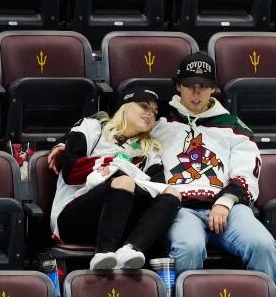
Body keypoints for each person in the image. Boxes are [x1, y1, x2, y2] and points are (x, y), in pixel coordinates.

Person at [50, 53, 276, 289]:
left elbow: (247, 171)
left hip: (227, 207)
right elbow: (115, 129)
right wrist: (64, 145)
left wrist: (226, 202)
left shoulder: (234, 127)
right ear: (178, 86)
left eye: (204, 86)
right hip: (180, 209)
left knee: (262, 244)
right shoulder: (158, 121)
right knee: (188, 247)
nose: (196, 93)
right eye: (190, 86)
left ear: (214, 89)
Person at [50, 87, 181, 270]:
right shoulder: (91, 127)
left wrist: (118, 170)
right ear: (125, 106)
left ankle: (131, 248)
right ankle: (103, 253)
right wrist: (115, 165)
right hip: (73, 219)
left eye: (154, 112)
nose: (150, 114)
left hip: (123, 225)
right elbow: (71, 173)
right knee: (124, 182)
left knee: (172, 194)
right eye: (144, 106)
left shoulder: (149, 151)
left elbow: (157, 191)